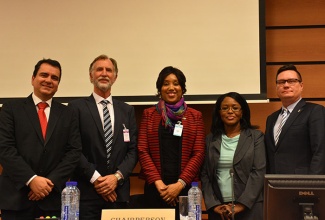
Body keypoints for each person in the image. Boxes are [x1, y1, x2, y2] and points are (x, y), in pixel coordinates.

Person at [0, 59, 82, 220]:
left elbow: (74, 152)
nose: (48, 80)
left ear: (58, 84)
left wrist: (48, 184)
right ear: (33, 79)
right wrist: (31, 180)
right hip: (16, 199)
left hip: (52, 200)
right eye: (44, 75)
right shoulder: (10, 109)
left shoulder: (68, 113)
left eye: (54, 78)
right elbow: (5, 149)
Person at [68, 54, 138, 220]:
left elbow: (133, 150)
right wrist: (98, 180)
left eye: (109, 70)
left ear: (115, 77)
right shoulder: (76, 108)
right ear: (91, 75)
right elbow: (73, 149)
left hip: (118, 194)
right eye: (99, 69)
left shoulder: (127, 110)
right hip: (87, 194)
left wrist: (116, 178)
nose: (104, 73)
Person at [137, 66, 205, 220]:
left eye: (176, 83)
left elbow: (199, 152)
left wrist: (179, 185)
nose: (171, 88)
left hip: (186, 189)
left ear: (182, 88)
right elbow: (142, 150)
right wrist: (159, 184)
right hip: (155, 188)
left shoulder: (195, 116)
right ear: (160, 88)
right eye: (166, 83)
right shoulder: (149, 115)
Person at [201, 92, 266, 220]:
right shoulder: (210, 140)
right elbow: (205, 174)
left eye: (235, 108)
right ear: (219, 113)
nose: (230, 111)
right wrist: (214, 205)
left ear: (242, 112)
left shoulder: (255, 137)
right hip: (219, 210)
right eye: (225, 108)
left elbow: (258, 172)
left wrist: (241, 205)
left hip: (250, 208)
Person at [265, 64, 325, 174]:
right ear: (276, 87)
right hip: (275, 184)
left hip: (303, 184)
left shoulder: (314, 111)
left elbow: (321, 151)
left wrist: (312, 185)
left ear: (301, 85)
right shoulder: (271, 119)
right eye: (281, 82)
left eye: (291, 81)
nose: (286, 85)